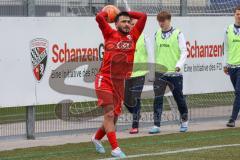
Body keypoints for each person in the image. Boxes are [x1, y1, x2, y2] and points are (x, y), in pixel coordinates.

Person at [92, 10, 147, 158]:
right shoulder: (109, 33)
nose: (127, 24)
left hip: (119, 83)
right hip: (104, 79)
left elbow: (143, 16)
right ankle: (115, 149)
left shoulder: (133, 36)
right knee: (109, 114)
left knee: (114, 117)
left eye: (129, 22)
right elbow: (99, 17)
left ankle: (96, 138)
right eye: (123, 21)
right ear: (115, 24)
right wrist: (110, 13)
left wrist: (125, 12)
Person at [150, 11, 189, 134]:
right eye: (159, 21)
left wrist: (178, 65)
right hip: (160, 73)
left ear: (169, 20)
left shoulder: (178, 34)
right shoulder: (156, 34)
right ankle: (156, 125)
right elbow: (154, 53)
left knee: (179, 98)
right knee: (157, 98)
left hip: (174, 73)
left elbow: (184, 52)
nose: (161, 23)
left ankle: (184, 121)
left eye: (163, 21)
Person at [124, 19, 155, 134]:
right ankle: (137, 114)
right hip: (127, 74)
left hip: (140, 74)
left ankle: (135, 125)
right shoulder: (126, 38)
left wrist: (151, 73)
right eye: (130, 24)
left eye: (134, 24)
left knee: (136, 98)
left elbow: (151, 55)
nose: (131, 26)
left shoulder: (144, 37)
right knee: (126, 101)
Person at [224, 6, 240, 128]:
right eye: (237, 14)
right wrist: (225, 64)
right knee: (238, 93)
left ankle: (232, 119)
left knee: (239, 92)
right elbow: (226, 48)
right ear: (234, 15)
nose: (239, 16)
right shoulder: (228, 29)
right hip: (232, 67)